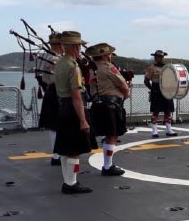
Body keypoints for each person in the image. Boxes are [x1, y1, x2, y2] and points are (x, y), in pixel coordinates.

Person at [53, 31, 95, 194]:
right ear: (75, 47)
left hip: (63, 106)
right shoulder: (72, 67)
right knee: (75, 150)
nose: (80, 49)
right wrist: (83, 120)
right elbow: (77, 96)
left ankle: (68, 182)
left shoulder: (60, 63)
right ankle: (71, 184)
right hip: (72, 109)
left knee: (66, 149)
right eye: (79, 46)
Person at [85, 42, 130, 175]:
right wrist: (126, 95)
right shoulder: (108, 67)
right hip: (111, 105)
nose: (110, 56)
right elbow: (123, 85)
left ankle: (107, 164)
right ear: (105, 55)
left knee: (107, 133)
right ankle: (107, 166)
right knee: (112, 135)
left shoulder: (90, 68)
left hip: (96, 104)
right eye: (109, 54)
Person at [37, 32, 64, 165]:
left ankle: (57, 154)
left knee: (54, 125)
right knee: (56, 125)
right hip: (56, 92)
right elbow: (57, 79)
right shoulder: (55, 59)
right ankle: (57, 155)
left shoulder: (46, 56)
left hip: (50, 91)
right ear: (60, 44)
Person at [144, 50, 177, 138]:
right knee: (155, 111)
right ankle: (154, 131)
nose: (159, 58)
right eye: (157, 56)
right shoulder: (151, 68)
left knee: (168, 111)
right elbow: (146, 80)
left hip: (167, 90)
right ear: (155, 57)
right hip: (156, 90)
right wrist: (152, 89)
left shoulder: (168, 67)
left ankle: (169, 130)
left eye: (161, 57)